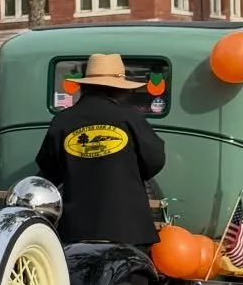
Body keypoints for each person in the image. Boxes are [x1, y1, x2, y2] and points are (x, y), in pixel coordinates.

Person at [35, 52, 166, 247]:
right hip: (129, 230)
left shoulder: (64, 120)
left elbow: (48, 170)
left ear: (86, 86)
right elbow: (155, 159)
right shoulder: (130, 118)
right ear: (119, 90)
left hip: (77, 232)